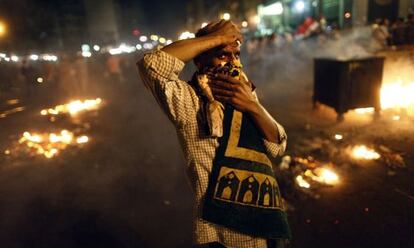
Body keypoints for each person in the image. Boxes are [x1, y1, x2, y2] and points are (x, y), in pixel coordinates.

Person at [137, 20, 289, 248]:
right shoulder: (189, 101)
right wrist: (219, 37)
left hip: (264, 218)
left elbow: (277, 145)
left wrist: (252, 107)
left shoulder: (244, 94)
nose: (234, 63)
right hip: (224, 232)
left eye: (236, 55)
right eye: (223, 55)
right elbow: (152, 66)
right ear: (200, 60)